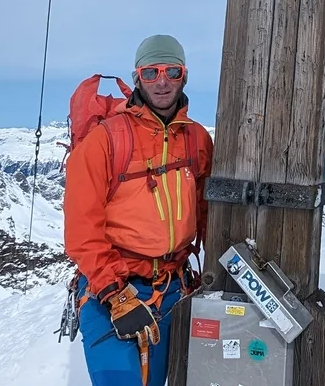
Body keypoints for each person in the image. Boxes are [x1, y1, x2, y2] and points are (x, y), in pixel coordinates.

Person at [63, 34, 213, 386]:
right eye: (151, 72)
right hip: (112, 287)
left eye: (172, 71)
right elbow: (81, 230)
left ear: (184, 76)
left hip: (174, 287)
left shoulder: (198, 140)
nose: (162, 81)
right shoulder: (105, 139)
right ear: (137, 78)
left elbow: (207, 214)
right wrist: (115, 294)